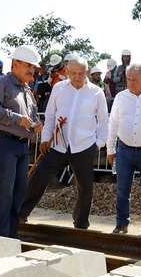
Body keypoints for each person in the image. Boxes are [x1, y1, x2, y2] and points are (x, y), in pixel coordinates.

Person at [19, 55, 108, 230]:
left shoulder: (96, 92)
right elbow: (50, 115)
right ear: (67, 72)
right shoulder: (59, 88)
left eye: (81, 73)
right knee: (39, 177)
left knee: (85, 187)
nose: (77, 77)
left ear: (87, 72)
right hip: (57, 144)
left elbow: (104, 121)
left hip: (83, 146)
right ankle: (21, 213)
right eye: (73, 73)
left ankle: (81, 222)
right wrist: (45, 138)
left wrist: (98, 144)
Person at [0, 45, 43, 238]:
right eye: (28, 65)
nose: (32, 70)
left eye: (33, 67)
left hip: (19, 145)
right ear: (15, 64)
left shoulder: (26, 89)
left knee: (18, 193)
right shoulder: (0, 83)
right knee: (3, 193)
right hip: (1, 143)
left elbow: (30, 115)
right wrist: (17, 119)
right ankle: (0, 237)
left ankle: (11, 235)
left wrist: (35, 124)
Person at [107, 64, 141, 235]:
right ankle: (121, 224)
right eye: (128, 79)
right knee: (122, 189)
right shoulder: (120, 97)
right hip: (124, 150)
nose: (130, 83)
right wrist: (110, 149)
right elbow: (113, 123)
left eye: (134, 80)